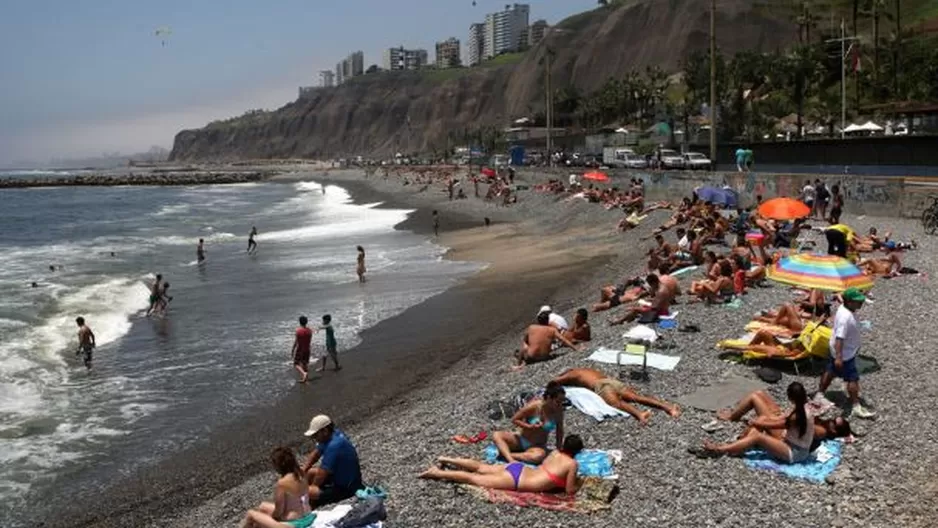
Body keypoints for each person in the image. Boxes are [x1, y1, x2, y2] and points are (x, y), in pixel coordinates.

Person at [690, 382, 817, 463]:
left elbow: (776, 424)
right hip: (788, 439)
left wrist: (755, 423)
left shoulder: (799, 415)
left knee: (757, 435)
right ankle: (739, 444)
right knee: (761, 418)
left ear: (791, 398)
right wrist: (761, 421)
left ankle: (721, 449)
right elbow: (781, 420)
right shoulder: (802, 406)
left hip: (795, 452)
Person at [419, 435, 583, 495]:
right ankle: (437, 473)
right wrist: (578, 486)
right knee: (473, 479)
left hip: (519, 468)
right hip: (518, 480)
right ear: (577, 451)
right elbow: (569, 490)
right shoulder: (572, 463)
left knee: (480, 467)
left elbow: (547, 466)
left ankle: (447, 458)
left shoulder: (554, 453)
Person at [713, 389, 854, 444]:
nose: (832, 419)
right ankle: (735, 417)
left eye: (834, 421)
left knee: (754, 398)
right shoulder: (823, 425)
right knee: (760, 393)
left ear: (834, 430)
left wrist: (761, 423)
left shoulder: (821, 431)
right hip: (786, 421)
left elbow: (786, 425)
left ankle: (732, 418)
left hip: (783, 434)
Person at [819, 288, 875, 418]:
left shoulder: (845, 309)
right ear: (849, 301)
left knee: (830, 370)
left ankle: (820, 393)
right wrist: (839, 357)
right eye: (857, 302)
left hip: (839, 350)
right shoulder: (845, 317)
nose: (860, 304)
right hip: (845, 353)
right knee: (852, 378)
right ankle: (856, 405)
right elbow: (840, 338)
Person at [552, 368, 680, 425]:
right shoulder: (585, 370)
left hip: (601, 386)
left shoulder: (572, 374)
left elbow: (554, 381)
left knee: (615, 403)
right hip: (612, 381)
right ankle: (668, 407)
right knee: (637, 397)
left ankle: (640, 414)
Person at [240, 447, 316, 528]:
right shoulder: (301, 474)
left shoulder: (282, 483)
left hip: (294, 524)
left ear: (279, 465)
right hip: (308, 516)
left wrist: (270, 519)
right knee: (263, 506)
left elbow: (279, 512)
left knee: (251, 514)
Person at [492, 382, 565, 464]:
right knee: (497, 435)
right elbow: (515, 419)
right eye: (558, 401)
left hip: (537, 445)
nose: (560, 404)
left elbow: (559, 431)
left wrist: (559, 449)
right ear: (549, 398)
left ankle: (509, 455)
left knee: (538, 456)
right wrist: (529, 426)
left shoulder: (558, 412)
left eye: (562, 401)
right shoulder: (535, 406)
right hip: (521, 440)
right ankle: (511, 460)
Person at [301, 415, 363, 507]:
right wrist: (304, 469)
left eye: (315, 435)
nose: (314, 438)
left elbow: (322, 473)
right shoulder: (334, 434)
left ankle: (308, 509)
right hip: (338, 475)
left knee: (307, 492)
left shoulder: (334, 446)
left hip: (347, 488)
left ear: (325, 431)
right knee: (309, 472)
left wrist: (312, 488)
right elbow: (316, 453)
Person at [513, 311, 581, 369]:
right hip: (545, 357)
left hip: (532, 358)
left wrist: (526, 347)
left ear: (538, 321)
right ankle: (523, 361)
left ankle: (518, 365)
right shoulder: (552, 330)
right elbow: (563, 340)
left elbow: (525, 340)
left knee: (521, 350)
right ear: (548, 320)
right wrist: (576, 348)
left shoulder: (532, 327)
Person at [291, 316, 313, 383]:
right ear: (306, 322)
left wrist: (292, 349)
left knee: (296, 364)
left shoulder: (298, 331)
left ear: (299, 322)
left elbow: (296, 342)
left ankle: (304, 374)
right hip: (307, 349)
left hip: (300, 350)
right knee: (305, 363)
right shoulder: (309, 331)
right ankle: (306, 378)